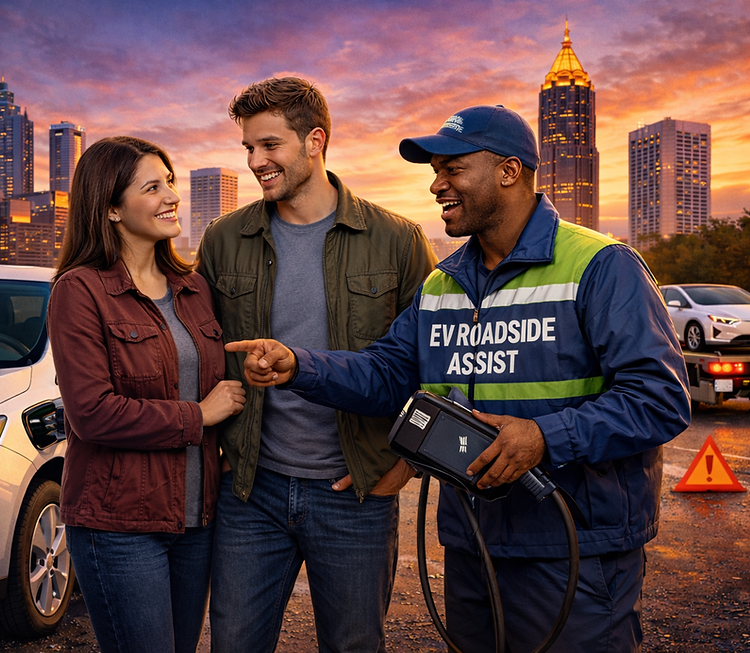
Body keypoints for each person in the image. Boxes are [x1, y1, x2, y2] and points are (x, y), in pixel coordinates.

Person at [227, 105, 691, 653]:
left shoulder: (600, 265)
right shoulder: (442, 284)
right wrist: (299, 365)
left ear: (509, 172)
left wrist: (544, 438)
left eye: (452, 170)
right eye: (434, 171)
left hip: (575, 548)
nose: (436, 185)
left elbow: (660, 399)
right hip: (474, 544)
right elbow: (385, 374)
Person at [196, 77, 437, 652]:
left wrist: (407, 462)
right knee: (233, 643)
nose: (256, 162)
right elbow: (201, 353)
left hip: (354, 494)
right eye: (248, 149)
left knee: (354, 645)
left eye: (269, 145)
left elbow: (437, 363)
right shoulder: (224, 239)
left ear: (315, 141)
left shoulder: (397, 239)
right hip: (251, 492)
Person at [47, 136, 246, 653]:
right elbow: (91, 414)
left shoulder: (195, 288)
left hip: (196, 520)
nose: (171, 196)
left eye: (171, 182)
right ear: (111, 208)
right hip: (119, 524)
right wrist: (198, 416)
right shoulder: (79, 290)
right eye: (152, 187)